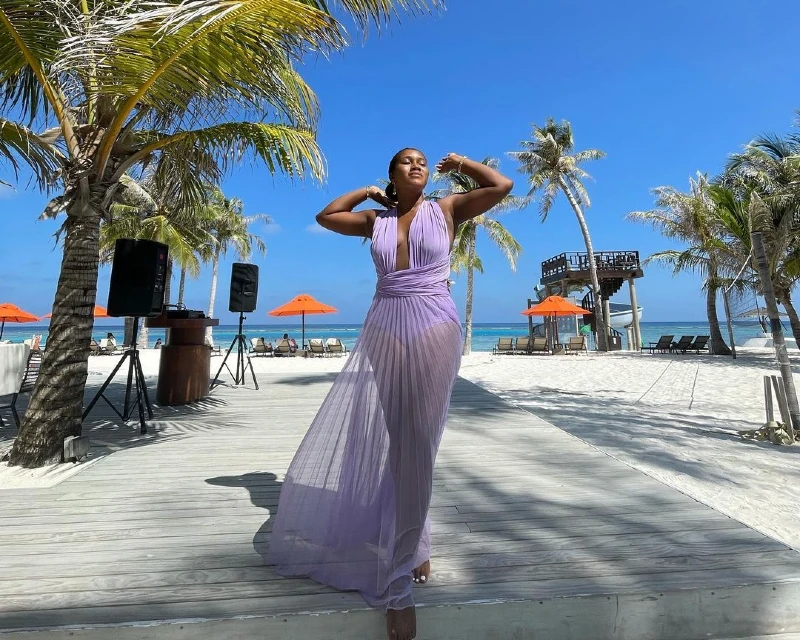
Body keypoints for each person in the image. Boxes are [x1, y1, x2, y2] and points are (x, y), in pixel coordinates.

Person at [269, 149, 513, 640]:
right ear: (392, 175)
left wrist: (462, 163)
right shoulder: (374, 222)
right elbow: (325, 215)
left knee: (419, 442)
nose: (417, 165)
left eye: (422, 161)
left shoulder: (446, 210)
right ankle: (416, 541)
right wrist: (366, 193)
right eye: (406, 161)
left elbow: (502, 186)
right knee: (400, 438)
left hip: (433, 323)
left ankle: (398, 582)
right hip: (384, 325)